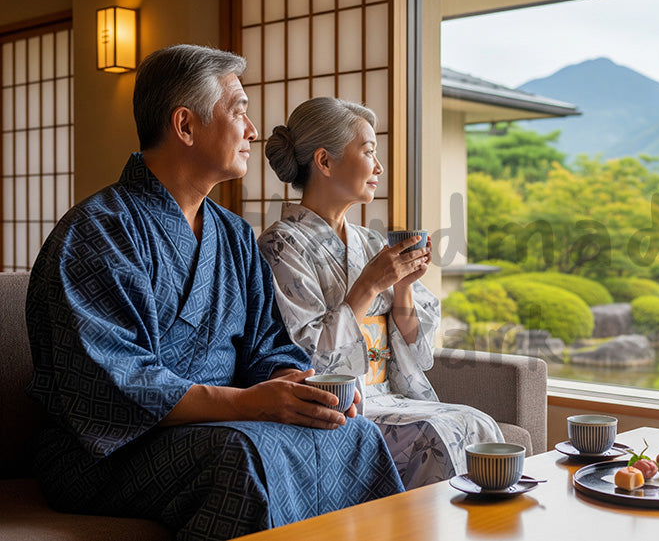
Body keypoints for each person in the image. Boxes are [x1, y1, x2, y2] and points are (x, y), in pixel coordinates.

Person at [25, 45, 403, 541]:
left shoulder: (232, 235)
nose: (252, 132)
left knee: (355, 434)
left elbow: (268, 347)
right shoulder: (99, 231)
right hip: (110, 449)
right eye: (239, 112)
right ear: (185, 126)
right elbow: (117, 379)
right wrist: (247, 404)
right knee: (240, 457)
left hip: (221, 422)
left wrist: (297, 384)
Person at [258, 97, 504, 489]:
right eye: (369, 152)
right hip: (347, 403)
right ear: (324, 161)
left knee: (478, 422)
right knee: (437, 434)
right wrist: (370, 283)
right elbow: (307, 354)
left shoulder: (370, 241)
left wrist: (403, 287)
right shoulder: (281, 244)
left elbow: (418, 349)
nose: (379, 167)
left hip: (392, 393)